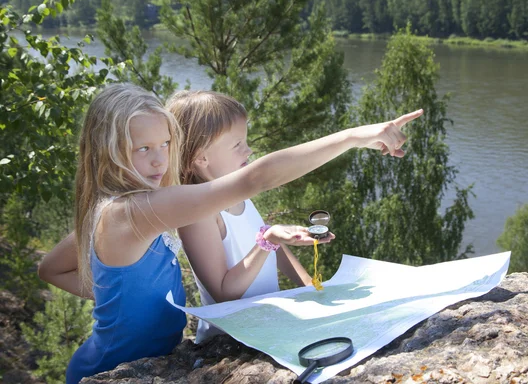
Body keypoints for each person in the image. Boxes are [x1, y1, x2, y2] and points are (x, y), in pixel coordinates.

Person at [37, 83, 422, 383]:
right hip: (109, 367)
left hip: (147, 358)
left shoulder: (121, 207)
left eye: (166, 144)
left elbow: (49, 269)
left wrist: (110, 292)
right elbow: (254, 178)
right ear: (108, 151)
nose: (159, 159)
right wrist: (352, 138)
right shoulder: (133, 212)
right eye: (142, 149)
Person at [167, 90, 334, 343]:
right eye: (237, 145)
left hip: (265, 327)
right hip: (229, 341)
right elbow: (224, 293)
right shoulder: (198, 215)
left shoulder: (236, 192)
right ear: (201, 158)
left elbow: (271, 247)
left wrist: (310, 287)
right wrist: (267, 240)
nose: (249, 150)